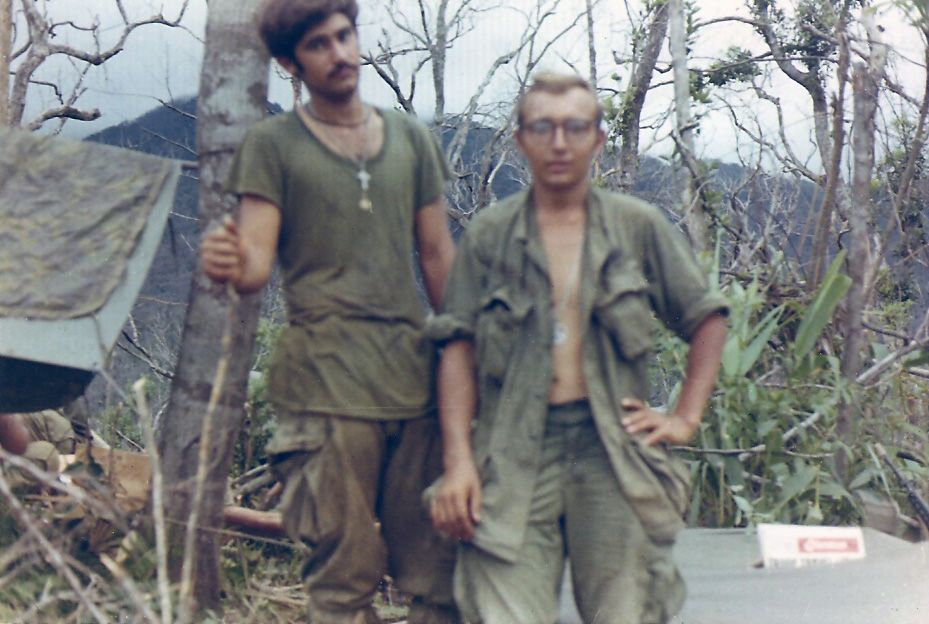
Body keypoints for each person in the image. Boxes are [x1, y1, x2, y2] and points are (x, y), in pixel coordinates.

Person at [428, 72, 729, 624]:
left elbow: (706, 317)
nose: (560, 143)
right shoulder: (491, 235)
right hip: (513, 448)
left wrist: (684, 417)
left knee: (627, 610)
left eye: (575, 127)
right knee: (502, 610)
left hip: (612, 447)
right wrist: (459, 462)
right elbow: (457, 347)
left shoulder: (636, 227)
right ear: (520, 140)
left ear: (598, 139)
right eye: (543, 128)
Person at [199, 1, 459, 623]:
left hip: (412, 385)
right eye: (319, 45)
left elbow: (438, 258)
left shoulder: (410, 138)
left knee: (441, 576)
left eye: (345, 36)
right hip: (324, 389)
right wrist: (225, 259)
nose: (340, 54)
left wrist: (469, 352)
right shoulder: (273, 146)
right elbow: (254, 264)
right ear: (290, 62)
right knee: (342, 578)